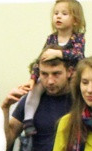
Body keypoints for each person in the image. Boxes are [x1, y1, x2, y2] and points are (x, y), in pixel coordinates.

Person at [4, 46, 73, 151]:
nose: (49, 81)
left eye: (56, 74)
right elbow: (8, 138)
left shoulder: (80, 99)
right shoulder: (32, 100)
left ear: (69, 72)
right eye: (44, 74)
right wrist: (4, 108)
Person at [20, 0, 85, 136]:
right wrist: (33, 78)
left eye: (64, 13)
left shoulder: (77, 38)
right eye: (56, 13)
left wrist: (59, 53)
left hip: (74, 74)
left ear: (75, 20)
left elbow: (78, 55)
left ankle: (83, 115)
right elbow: (41, 59)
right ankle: (28, 119)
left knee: (80, 89)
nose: (58, 16)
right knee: (36, 89)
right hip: (56, 74)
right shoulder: (51, 38)